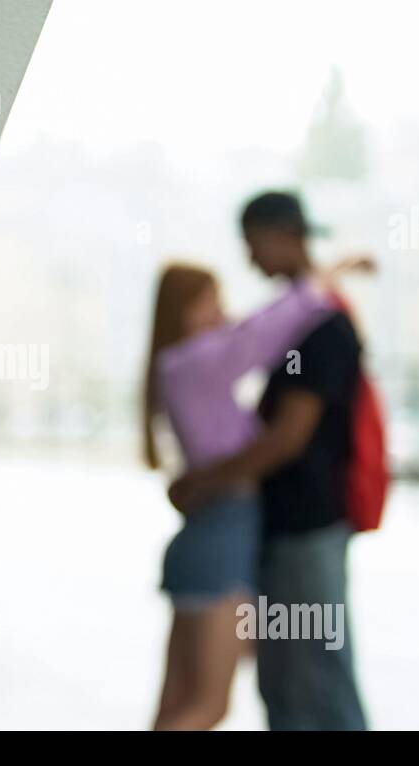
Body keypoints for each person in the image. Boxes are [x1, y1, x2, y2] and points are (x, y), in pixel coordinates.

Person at [169, 191, 370, 730]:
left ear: (281, 237)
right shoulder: (298, 325)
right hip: (288, 532)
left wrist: (203, 480)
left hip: (307, 530)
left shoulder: (320, 328)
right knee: (286, 684)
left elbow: (287, 437)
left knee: (314, 682)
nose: (250, 258)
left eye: (253, 243)